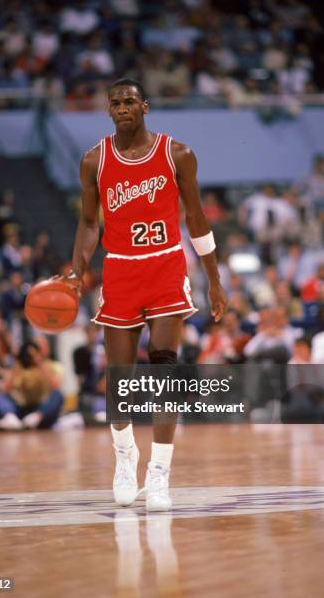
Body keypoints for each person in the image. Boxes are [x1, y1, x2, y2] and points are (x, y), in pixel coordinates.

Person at [70, 78, 227, 512]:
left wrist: (214, 278)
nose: (123, 107)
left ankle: (159, 474)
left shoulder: (177, 154)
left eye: (130, 101)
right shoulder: (94, 160)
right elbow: (88, 224)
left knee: (165, 374)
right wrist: (76, 270)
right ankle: (125, 457)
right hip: (119, 269)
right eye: (116, 102)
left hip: (165, 266)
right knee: (118, 381)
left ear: (145, 106)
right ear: (109, 110)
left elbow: (196, 218)